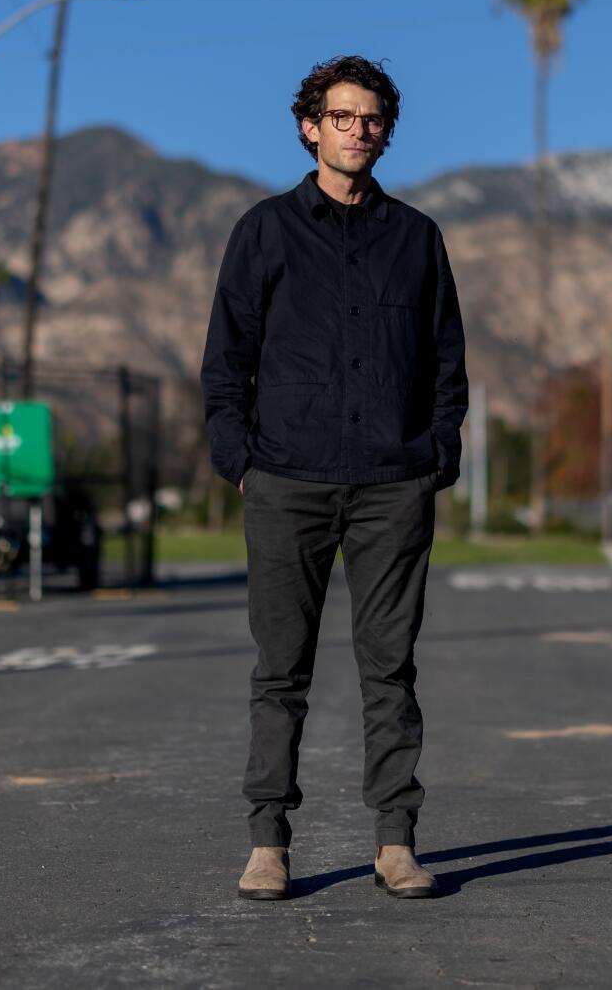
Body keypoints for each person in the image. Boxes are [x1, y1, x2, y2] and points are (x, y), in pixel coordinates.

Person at [201, 55, 468, 902]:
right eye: (341, 116)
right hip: (286, 480)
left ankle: (395, 842)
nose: (358, 130)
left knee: (391, 669)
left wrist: (435, 456)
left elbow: (446, 361)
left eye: (372, 118)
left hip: (394, 485)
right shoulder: (265, 231)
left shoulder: (418, 238)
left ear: (386, 131)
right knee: (281, 670)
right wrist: (239, 461)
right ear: (309, 126)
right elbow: (225, 361)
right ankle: (268, 841)